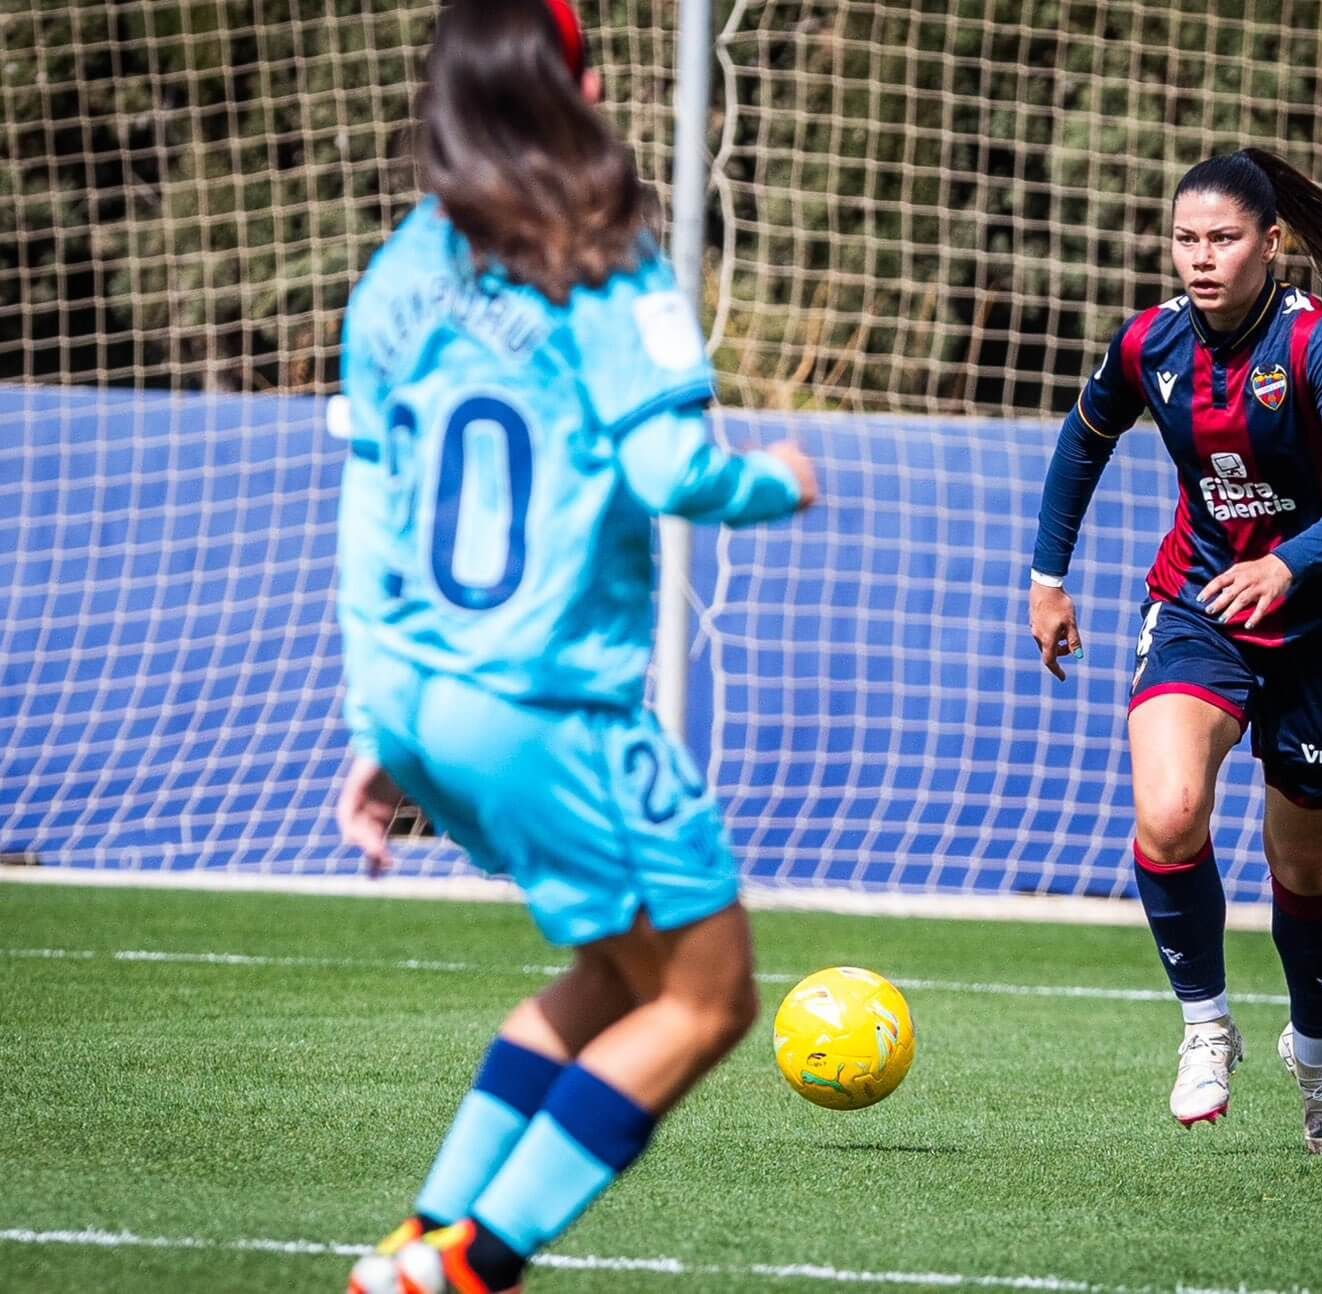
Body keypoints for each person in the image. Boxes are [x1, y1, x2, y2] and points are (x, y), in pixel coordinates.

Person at [330, 3, 817, 1290]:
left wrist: (381, 731)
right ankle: (467, 1265)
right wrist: (775, 479)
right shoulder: (598, 253)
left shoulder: (392, 277)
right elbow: (668, 465)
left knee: (613, 969)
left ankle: (417, 1237)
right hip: (552, 702)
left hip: (426, 694)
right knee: (707, 997)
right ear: (572, 79)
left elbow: (367, 521)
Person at [1027, 148, 1322, 1156]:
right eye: (1185, 239)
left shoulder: (1317, 349)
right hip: (1197, 609)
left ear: (1269, 244)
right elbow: (1081, 443)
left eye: (1224, 239)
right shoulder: (1148, 342)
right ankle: (1205, 1025)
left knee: (1306, 859)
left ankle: (1318, 1064)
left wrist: (1288, 564)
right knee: (1167, 812)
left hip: (1319, 632)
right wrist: (1045, 575)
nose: (1201, 259)